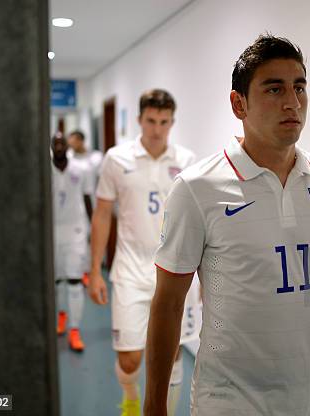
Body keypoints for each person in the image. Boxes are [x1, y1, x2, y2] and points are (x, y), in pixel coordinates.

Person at [144, 35, 310, 415]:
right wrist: (154, 406)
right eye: (274, 89)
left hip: (306, 399)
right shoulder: (197, 188)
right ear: (239, 104)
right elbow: (169, 304)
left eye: (299, 87)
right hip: (226, 401)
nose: (293, 102)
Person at [88, 89, 199, 416]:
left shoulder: (187, 161)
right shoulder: (116, 159)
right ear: (139, 120)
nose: (157, 129)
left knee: (172, 351)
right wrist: (95, 270)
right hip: (130, 271)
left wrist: (205, 275)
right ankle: (131, 399)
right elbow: (102, 213)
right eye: (151, 121)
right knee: (131, 357)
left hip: (175, 273)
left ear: (172, 122)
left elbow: (198, 221)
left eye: (164, 122)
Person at [51, 132, 93, 352]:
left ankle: (75, 330)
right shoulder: (44, 168)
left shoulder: (81, 169)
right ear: (51, 146)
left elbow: (87, 198)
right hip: (52, 233)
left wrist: (93, 228)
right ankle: (61, 317)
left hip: (76, 231)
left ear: (66, 145)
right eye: (55, 142)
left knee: (75, 281)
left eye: (61, 142)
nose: (58, 145)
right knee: (57, 282)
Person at [67, 129, 103, 287]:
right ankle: (79, 273)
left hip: (95, 203)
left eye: (73, 141)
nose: (70, 144)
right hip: (75, 207)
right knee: (77, 241)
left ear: (81, 141)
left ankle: (92, 271)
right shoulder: (68, 158)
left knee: (92, 238)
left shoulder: (95, 158)